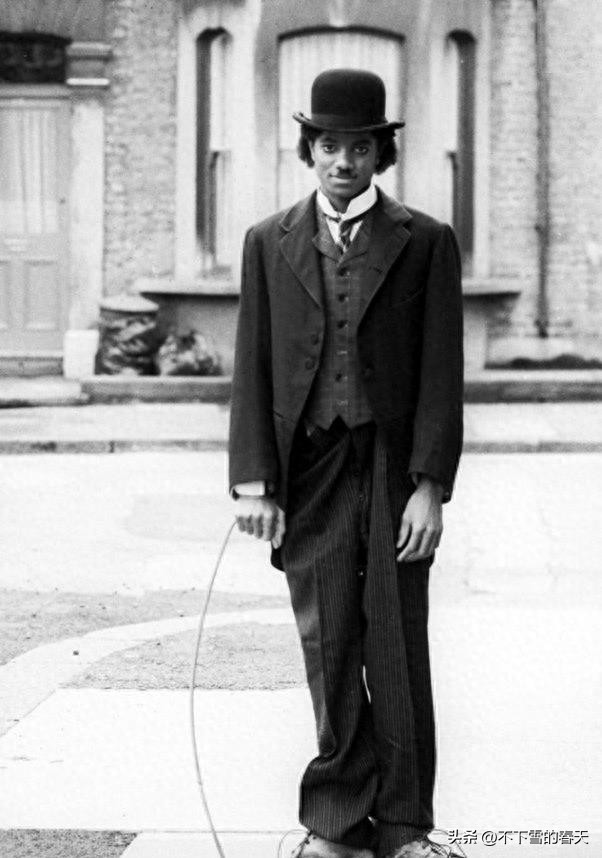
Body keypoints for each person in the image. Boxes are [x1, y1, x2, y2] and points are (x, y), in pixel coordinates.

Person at [229, 68, 464, 858]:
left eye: (358, 148)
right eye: (328, 146)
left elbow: (441, 371)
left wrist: (429, 487)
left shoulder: (424, 240)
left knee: (396, 646)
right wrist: (255, 482)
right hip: (311, 466)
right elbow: (253, 364)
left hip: (394, 464)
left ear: (379, 155)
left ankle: (405, 828)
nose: (342, 161)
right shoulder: (269, 241)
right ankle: (335, 825)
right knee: (329, 645)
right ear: (310, 150)